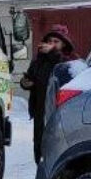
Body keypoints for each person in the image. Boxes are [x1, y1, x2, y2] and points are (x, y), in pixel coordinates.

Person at [21, 24, 77, 164]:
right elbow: (30, 77)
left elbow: (63, 71)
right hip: (40, 109)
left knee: (57, 144)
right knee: (40, 145)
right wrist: (25, 82)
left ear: (64, 44)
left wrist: (52, 52)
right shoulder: (39, 61)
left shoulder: (69, 60)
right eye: (50, 41)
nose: (52, 44)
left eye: (56, 42)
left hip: (59, 110)